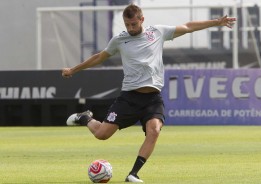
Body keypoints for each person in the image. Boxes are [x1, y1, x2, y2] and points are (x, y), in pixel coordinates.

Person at [62, 3, 236, 183]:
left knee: (154, 130)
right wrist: (74, 70)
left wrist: (217, 22)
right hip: (129, 98)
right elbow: (99, 57)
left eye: (133, 24)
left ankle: (133, 174)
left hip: (152, 99)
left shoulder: (157, 32)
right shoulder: (119, 40)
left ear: (141, 20)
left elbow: (188, 27)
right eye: (127, 25)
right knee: (102, 135)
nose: (130, 28)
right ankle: (85, 118)